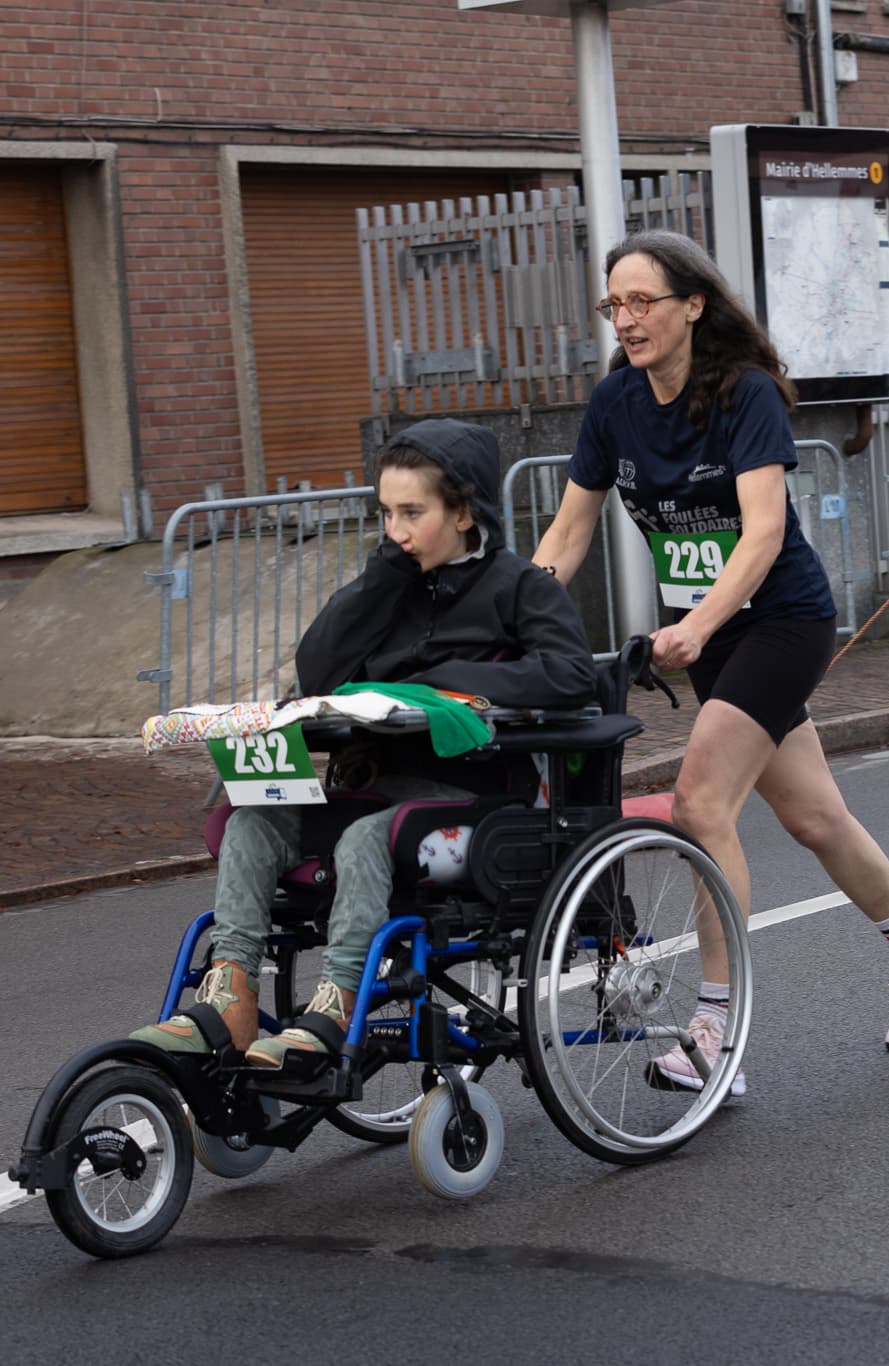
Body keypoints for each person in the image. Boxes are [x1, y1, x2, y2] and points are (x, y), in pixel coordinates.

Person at [531, 229, 889, 1088]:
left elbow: (764, 531)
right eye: (613, 304)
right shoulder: (614, 405)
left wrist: (698, 623)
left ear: (693, 304)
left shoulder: (746, 397)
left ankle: (715, 1029)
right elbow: (569, 527)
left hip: (778, 619)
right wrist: (515, 618)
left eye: (642, 302)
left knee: (702, 804)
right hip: (707, 631)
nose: (626, 319)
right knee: (814, 818)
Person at [134, 420, 597, 1065]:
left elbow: (573, 675)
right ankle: (228, 996)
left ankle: (338, 1003)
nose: (396, 530)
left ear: (464, 513)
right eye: (386, 513)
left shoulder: (521, 586)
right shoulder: (391, 583)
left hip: (473, 799)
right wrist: (384, 577)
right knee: (249, 822)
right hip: (374, 783)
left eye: (413, 512)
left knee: (363, 837)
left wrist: (439, 685)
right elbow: (317, 671)